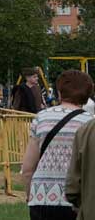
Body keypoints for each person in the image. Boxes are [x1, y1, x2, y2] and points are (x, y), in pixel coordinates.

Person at [22, 70, 94, 219]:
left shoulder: (41, 118)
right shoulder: (90, 123)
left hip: (41, 197)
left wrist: (30, 194)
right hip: (75, 200)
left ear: (59, 92)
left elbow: (28, 168)